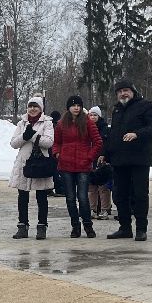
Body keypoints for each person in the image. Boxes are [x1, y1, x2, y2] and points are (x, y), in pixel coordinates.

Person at [100, 78, 152, 240]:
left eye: (126, 90)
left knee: (140, 195)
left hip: (139, 159)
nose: (123, 93)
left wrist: (137, 134)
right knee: (120, 195)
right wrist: (105, 153)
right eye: (119, 91)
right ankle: (124, 228)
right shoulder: (117, 109)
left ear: (133, 92)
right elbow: (114, 134)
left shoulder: (145, 106)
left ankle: (141, 229)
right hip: (119, 160)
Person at [53, 95, 101, 237]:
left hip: (83, 165)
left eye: (79, 105)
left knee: (83, 197)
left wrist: (89, 157)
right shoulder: (62, 124)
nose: (76, 108)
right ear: (68, 107)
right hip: (66, 165)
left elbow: (98, 142)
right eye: (73, 105)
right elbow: (56, 143)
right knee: (70, 198)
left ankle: (88, 225)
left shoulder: (87, 122)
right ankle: (75, 226)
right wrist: (57, 154)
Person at [9, 96, 55, 239]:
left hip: (40, 163)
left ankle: (42, 226)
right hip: (24, 163)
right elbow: (13, 143)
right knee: (22, 196)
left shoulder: (47, 123)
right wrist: (25, 135)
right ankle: (22, 226)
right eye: (30, 106)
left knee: (41, 196)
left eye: (36, 106)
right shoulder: (22, 123)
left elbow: (49, 142)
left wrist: (33, 136)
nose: (33, 109)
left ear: (41, 109)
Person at [87, 106, 113, 219]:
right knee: (91, 186)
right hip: (89, 159)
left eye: (95, 115)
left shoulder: (105, 129)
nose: (93, 117)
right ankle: (92, 209)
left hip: (102, 159)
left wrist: (104, 155)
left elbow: (107, 144)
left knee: (103, 187)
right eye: (91, 115)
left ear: (99, 116)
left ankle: (105, 209)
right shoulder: (85, 127)